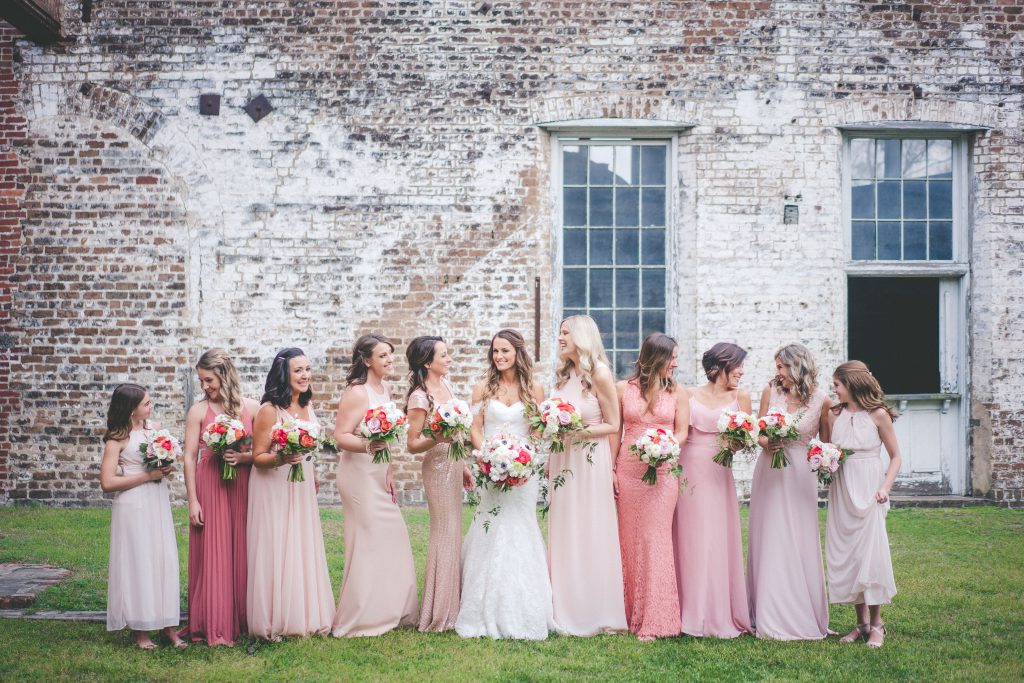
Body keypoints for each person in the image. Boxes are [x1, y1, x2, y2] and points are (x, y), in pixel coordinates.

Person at [455, 329, 556, 640]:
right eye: (495, 352)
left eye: (505, 352)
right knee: (492, 526)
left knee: (520, 526)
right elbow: (475, 427)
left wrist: (526, 461)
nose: (499, 357)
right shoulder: (482, 388)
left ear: (518, 353)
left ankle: (526, 606)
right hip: (491, 469)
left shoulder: (535, 389)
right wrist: (488, 458)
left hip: (525, 471)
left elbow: (537, 430)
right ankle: (484, 605)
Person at [332, 334, 418, 637]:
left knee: (392, 536)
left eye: (390, 355)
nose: (389, 360)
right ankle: (362, 616)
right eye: (383, 356)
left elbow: (387, 441)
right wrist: (369, 446)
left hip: (379, 473)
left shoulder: (387, 389)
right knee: (366, 543)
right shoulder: (357, 392)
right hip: (358, 476)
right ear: (367, 360)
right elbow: (341, 435)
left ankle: (389, 607)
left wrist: (389, 474)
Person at [548, 315, 627, 636]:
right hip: (562, 459)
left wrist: (578, 430)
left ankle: (595, 608)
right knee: (565, 527)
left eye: (566, 333)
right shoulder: (563, 376)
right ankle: (563, 605)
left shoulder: (601, 374)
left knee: (590, 528)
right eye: (560, 332)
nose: (561, 338)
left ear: (582, 337)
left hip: (591, 460)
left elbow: (613, 423)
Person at [247, 348, 334, 639]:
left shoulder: (308, 406)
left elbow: (310, 448)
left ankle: (306, 614)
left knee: (301, 541)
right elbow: (258, 456)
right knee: (278, 544)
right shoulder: (269, 410)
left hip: (302, 482)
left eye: (308, 369)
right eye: (298, 370)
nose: (305, 375)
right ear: (284, 374)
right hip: (273, 482)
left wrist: (314, 472)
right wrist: (282, 459)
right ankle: (277, 617)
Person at [746, 343, 831, 640]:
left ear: (797, 367)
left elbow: (825, 444)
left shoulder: (822, 400)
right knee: (770, 533)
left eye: (781, 367)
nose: (777, 373)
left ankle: (801, 610)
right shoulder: (772, 392)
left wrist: (824, 461)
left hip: (800, 474)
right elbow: (759, 432)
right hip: (770, 468)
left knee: (798, 536)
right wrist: (769, 442)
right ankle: (767, 611)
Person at [673, 342, 753, 638]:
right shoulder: (688, 394)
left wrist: (738, 440)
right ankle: (686, 611)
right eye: (738, 366)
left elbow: (746, 440)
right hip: (688, 471)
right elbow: (679, 431)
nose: (742, 372)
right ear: (720, 366)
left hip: (719, 473)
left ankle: (718, 611)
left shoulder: (740, 397)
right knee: (690, 538)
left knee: (716, 539)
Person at [181, 349, 260, 646]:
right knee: (213, 553)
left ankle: (242, 619)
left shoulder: (251, 407)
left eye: (209, 380)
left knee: (242, 549)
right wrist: (193, 500)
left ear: (224, 376)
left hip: (241, 483)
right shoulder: (198, 411)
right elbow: (189, 457)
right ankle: (212, 622)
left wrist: (243, 457)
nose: (205, 386)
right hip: (210, 483)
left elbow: (263, 452)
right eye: (201, 381)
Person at [615, 333, 688, 641]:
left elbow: (682, 432)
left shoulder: (678, 392)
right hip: (628, 471)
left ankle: (658, 619)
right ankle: (628, 612)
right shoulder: (622, 389)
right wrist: (611, 470)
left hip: (663, 471)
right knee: (628, 540)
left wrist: (665, 448)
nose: (676, 362)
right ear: (656, 357)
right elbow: (615, 431)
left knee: (656, 538)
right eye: (672, 357)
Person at [100, 383, 185, 649]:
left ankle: (168, 626)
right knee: (139, 562)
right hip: (133, 505)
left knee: (163, 558)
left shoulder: (155, 430)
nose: (151, 407)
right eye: (146, 404)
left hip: (157, 502)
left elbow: (162, 465)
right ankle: (140, 629)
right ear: (130, 409)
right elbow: (107, 482)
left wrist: (165, 467)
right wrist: (146, 476)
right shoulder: (117, 439)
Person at [826, 360, 900, 649]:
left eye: (837, 385)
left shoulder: (879, 415)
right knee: (849, 553)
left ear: (853, 384)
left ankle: (878, 624)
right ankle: (861, 623)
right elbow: (831, 448)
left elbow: (895, 456)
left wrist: (884, 488)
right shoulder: (835, 414)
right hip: (842, 486)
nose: (834, 390)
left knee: (872, 553)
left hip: (870, 487)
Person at [404, 336, 474, 633]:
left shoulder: (446, 387)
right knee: (443, 533)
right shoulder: (419, 397)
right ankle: (438, 611)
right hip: (436, 465)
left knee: (453, 532)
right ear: (427, 362)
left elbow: (455, 433)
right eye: (444, 355)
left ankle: (451, 604)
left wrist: (465, 467)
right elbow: (413, 444)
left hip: (454, 462)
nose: (449, 359)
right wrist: (439, 438)